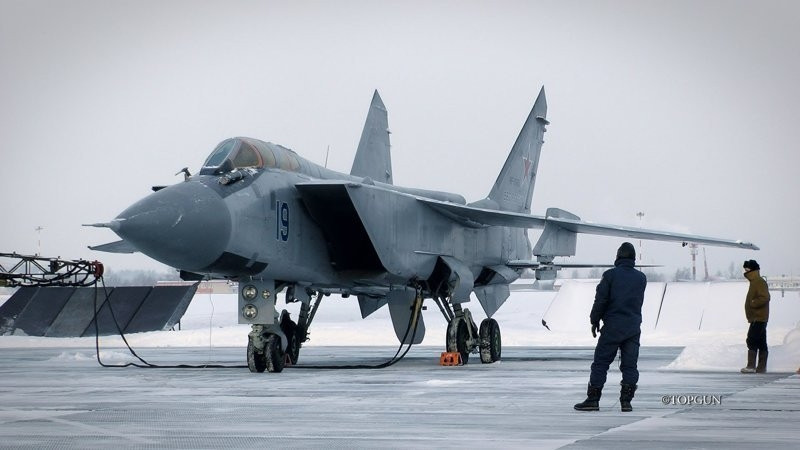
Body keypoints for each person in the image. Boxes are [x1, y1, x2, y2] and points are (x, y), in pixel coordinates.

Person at [575, 242, 647, 412]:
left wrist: (594, 320)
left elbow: (600, 300)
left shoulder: (610, 276)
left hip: (612, 328)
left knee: (600, 363)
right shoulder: (641, 278)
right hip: (633, 328)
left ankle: (593, 399)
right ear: (633, 258)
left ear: (618, 257)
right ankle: (626, 401)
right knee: (630, 366)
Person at [740, 259, 770, 374]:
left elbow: (765, 297)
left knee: (751, 339)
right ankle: (761, 368)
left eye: (747, 269)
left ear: (752, 269)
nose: (745, 271)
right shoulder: (755, 281)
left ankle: (751, 366)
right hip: (758, 317)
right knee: (761, 341)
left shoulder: (758, 281)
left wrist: (753, 303)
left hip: (758, 317)